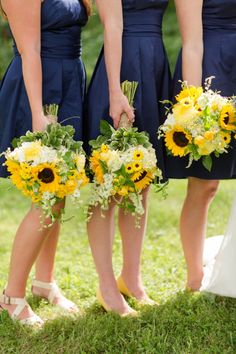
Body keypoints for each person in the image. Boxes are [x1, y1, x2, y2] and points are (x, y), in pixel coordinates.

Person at [0, 0, 91, 325]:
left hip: (69, 82)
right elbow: (30, 51)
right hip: (38, 87)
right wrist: (38, 114)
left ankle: (43, 282)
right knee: (46, 195)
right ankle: (11, 296)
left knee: (60, 191)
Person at [85, 0, 171, 316]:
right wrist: (115, 92)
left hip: (153, 65)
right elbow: (112, 26)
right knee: (108, 186)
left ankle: (131, 279)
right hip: (122, 71)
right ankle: (107, 286)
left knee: (141, 180)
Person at [168, 0, 236, 291]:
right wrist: (193, 106)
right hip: (213, 71)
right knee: (205, 185)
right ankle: (195, 277)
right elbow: (192, 44)